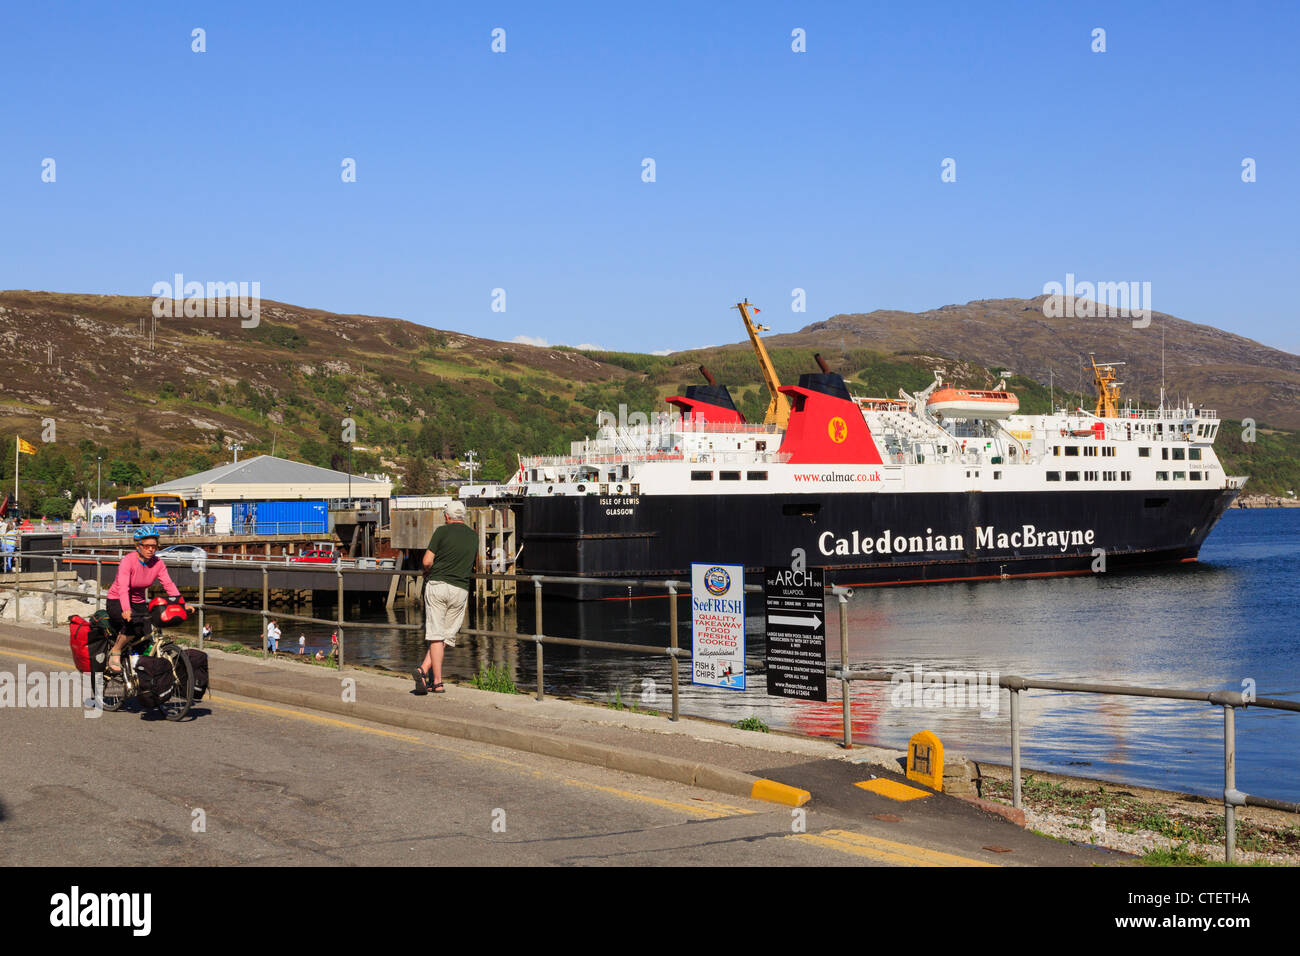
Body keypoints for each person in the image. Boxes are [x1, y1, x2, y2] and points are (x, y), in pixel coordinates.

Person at [413, 500, 478, 695]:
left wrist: (426, 571)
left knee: (436, 635)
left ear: (447, 516)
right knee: (447, 636)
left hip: (438, 585)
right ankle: (423, 670)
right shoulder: (473, 536)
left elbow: (427, 561)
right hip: (460, 589)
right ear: (462, 516)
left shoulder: (441, 531)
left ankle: (438, 682)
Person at [104, 527, 182, 676]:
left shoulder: (158, 563)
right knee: (133, 627)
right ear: (138, 545)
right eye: (147, 546)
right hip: (117, 600)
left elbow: (168, 584)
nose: (151, 549)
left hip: (138, 602)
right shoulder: (128, 561)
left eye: (154, 546)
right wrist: (126, 609)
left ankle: (139, 671)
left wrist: (181, 604)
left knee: (147, 636)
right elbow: (123, 588)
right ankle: (116, 650)